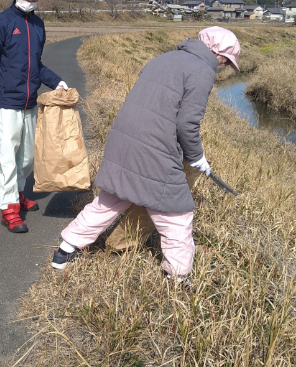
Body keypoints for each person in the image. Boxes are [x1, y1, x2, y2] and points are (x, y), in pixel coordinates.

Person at [51, 27, 241, 283]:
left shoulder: (163, 58)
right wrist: (196, 157)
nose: (224, 66)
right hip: (154, 146)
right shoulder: (202, 71)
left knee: (110, 199)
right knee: (177, 213)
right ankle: (177, 277)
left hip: (123, 137)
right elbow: (188, 123)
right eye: (227, 61)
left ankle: (64, 251)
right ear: (218, 53)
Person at [0, 0, 67, 233]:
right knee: (7, 158)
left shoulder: (37, 25)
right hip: (5, 103)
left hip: (29, 103)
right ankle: (8, 208)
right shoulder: (0, 23)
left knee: (26, 158)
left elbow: (35, 64)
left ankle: (17, 193)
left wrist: (56, 81)